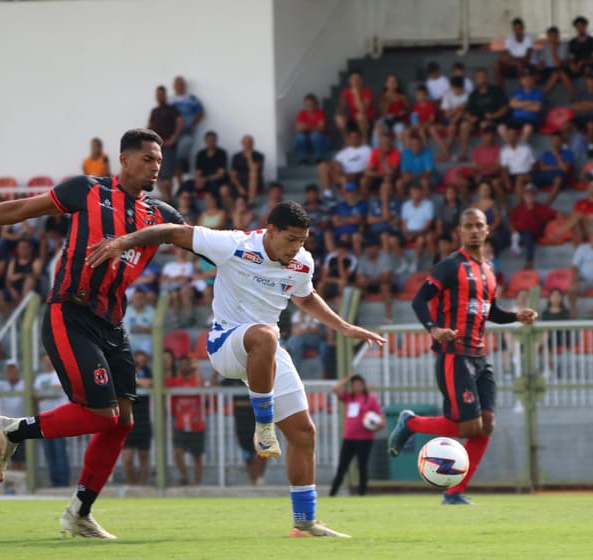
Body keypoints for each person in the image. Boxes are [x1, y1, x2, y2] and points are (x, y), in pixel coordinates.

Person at [84, 200, 386, 537]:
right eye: (290, 239)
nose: (296, 247)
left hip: (268, 351)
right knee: (266, 334)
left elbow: (305, 296)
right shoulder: (234, 245)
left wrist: (344, 327)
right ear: (270, 232)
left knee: (304, 433)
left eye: (302, 240)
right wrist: (123, 242)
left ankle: (305, 521)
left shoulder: (302, 261)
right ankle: (263, 424)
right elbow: (171, 232)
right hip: (227, 344)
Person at [0, 128, 185, 539]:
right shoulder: (85, 190)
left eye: (159, 160)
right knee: (101, 412)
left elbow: (211, 244)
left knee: (121, 421)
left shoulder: (162, 215)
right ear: (123, 160)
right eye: (147, 159)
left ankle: (79, 514)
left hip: (113, 324)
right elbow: (19, 210)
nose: (155, 167)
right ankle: (13, 430)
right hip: (70, 312)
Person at [389, 208, 538, 505]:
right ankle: (411, 423)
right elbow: (420, 300)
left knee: (487, 426)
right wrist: (433, 329)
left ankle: (454, 492)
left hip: (481, 355)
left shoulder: (489, 270)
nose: (474, 230)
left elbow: (490, 311)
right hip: (454, 354)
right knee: (470, 427)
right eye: (468, 226)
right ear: (460, 231)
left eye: (479, 225)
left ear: (486, 230)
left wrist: (515, 316)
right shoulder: (449, 266)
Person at [329, 374, 385, 497]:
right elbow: (334, 388)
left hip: (365, 439)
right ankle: (332, 494)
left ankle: (361, 494)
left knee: (362, 467)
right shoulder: (349, 398)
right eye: (354, 385)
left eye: (359, 384)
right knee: (342, 466)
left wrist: (373, 427)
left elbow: (382, 422)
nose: (357, 387)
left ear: (364, 385)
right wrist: (348, 378)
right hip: (349, 438)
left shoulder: (371, 399)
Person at [33, 355, 70, 487]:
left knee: (60, 450)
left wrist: (42, 393)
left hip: (59, 418)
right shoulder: (39, 378)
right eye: (45, 361)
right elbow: (36, 397)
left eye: (50, 360)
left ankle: (63, 482)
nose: (47, 363)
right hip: (44, 419)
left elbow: (57, 391)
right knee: (49, 452)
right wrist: (47, 393)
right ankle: (55, 481)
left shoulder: (60, 374)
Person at [166, 362, 205, 486]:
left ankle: (197, 483)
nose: (186, 375)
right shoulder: (176, 382)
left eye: (189, 372)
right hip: (180, 424)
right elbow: (163, 383)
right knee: (177, 451)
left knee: (197, 456)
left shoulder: (196, 381)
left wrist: (197, 370)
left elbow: (200, 388)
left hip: (197, 424)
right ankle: (184, 476)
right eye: (184, 372)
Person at [147, 85, 183, 200]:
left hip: (168, 147)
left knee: (168, 176)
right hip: (156, 147)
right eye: (157, 95)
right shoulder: (154, 111)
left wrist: (173, 138)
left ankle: (169, 200)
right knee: (156, 175)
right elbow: (150, 126)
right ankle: (166, 198)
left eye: (161, 95)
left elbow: (180, 122)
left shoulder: (171, 109)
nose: (159, 97)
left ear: (165, 95)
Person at [122, 349, 152, 485]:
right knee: (127, 458)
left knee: (144, 456)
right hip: (128, 418)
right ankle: (131, 483)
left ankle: (142, 485)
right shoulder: (125, 370)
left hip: (143, 419)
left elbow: (150, 383)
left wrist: (136, 381)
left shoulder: (149, 371)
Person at [0, 360, 25, 470]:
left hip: (22, 426)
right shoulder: (2, 385)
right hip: (7, 428)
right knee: (12, 458)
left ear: (17, 371)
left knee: (23, 458)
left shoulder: (24, 384)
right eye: (8, 370)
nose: (11, 372)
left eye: (13, 369)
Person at [170, 75, 205, 176]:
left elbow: (200, 112)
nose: (179, 86)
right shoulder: (170, 100)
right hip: (173, 134)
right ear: (174, 86)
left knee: (182, 155)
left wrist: (193, 126)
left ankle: (185, 175)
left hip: (186, 132)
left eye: (181, 84)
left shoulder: (191, 98)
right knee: (174, 157)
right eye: (177, 84)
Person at [187, 131, 229, 204]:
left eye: (213, 140)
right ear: (205, 141)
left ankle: (216, 205)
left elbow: (220, 174)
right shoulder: (201, 154)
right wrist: (198, 180)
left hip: (217, 180)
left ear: (216, 141)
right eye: (209, 140)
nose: (211, 142)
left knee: (213, 184)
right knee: (187, 184)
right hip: (203, 179)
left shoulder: (221, 153)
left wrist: (205, 179)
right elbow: (197, 171)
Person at [335, 70, 375, 144]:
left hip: (366, 120)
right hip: (352, 119)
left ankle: (365, 140)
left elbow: (362, 109)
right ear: (350, 81)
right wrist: (341, 111)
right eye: (353, 79)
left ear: (361, 81)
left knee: (360, 116)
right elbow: (341, 108)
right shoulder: (346, 92)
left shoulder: (367, 91)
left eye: (357, 79)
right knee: (339, 118)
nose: (355, 81)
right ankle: (347, 140)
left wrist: (356, 94)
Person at [535, 26, 573, 97]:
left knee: (558, 73)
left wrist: (553, 50)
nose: (552, 38)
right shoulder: (546, 47)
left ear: (558, 36)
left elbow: (558, 64)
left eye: (554, 36)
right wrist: (540, 65)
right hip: (548, 69)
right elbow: (541, 61)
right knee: (534, 75)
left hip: (561, 68)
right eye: (550, 36)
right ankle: (538, 96)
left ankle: (571, 94)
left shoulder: (564, 46)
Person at [493, 17, 533, 85]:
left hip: (524, 63)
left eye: (519, 29)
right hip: (511, 62)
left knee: (519, 64)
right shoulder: (509, 38)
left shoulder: (528, 38)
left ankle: (523, 89)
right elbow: (506, 55)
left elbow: (527, 57)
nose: (518, 31)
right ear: (513, 29)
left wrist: (514, 59)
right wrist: (508, 58)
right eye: (516, 29)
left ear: (523, 28)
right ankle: (499, 89)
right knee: (496, 65)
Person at [230, 135, 265, 205]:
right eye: (245, 143)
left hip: (255, 183)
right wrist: (239, 187)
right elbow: (233, 175)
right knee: (224, 189)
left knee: (253, 174)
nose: (247, 145)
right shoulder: (236, 156)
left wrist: (249, 157)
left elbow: (254, 168)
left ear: (252, 144)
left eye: (249, 143)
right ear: (242, 144)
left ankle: (250, 202)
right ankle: (234, 211)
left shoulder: (259, 155)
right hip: (239, 182)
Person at [295, 94, 327, 164]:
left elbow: (322, 128)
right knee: (299, 137)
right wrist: (314, 127)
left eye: (311, 104)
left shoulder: (320, 113)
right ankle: (303, 159)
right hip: (307, 139)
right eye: (307, 105)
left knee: (315, 135)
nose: (309, 107)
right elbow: (298, 129)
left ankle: (319, 158)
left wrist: (307, 127)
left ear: (315, 104)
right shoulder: (302, 113)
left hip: (321, 140)